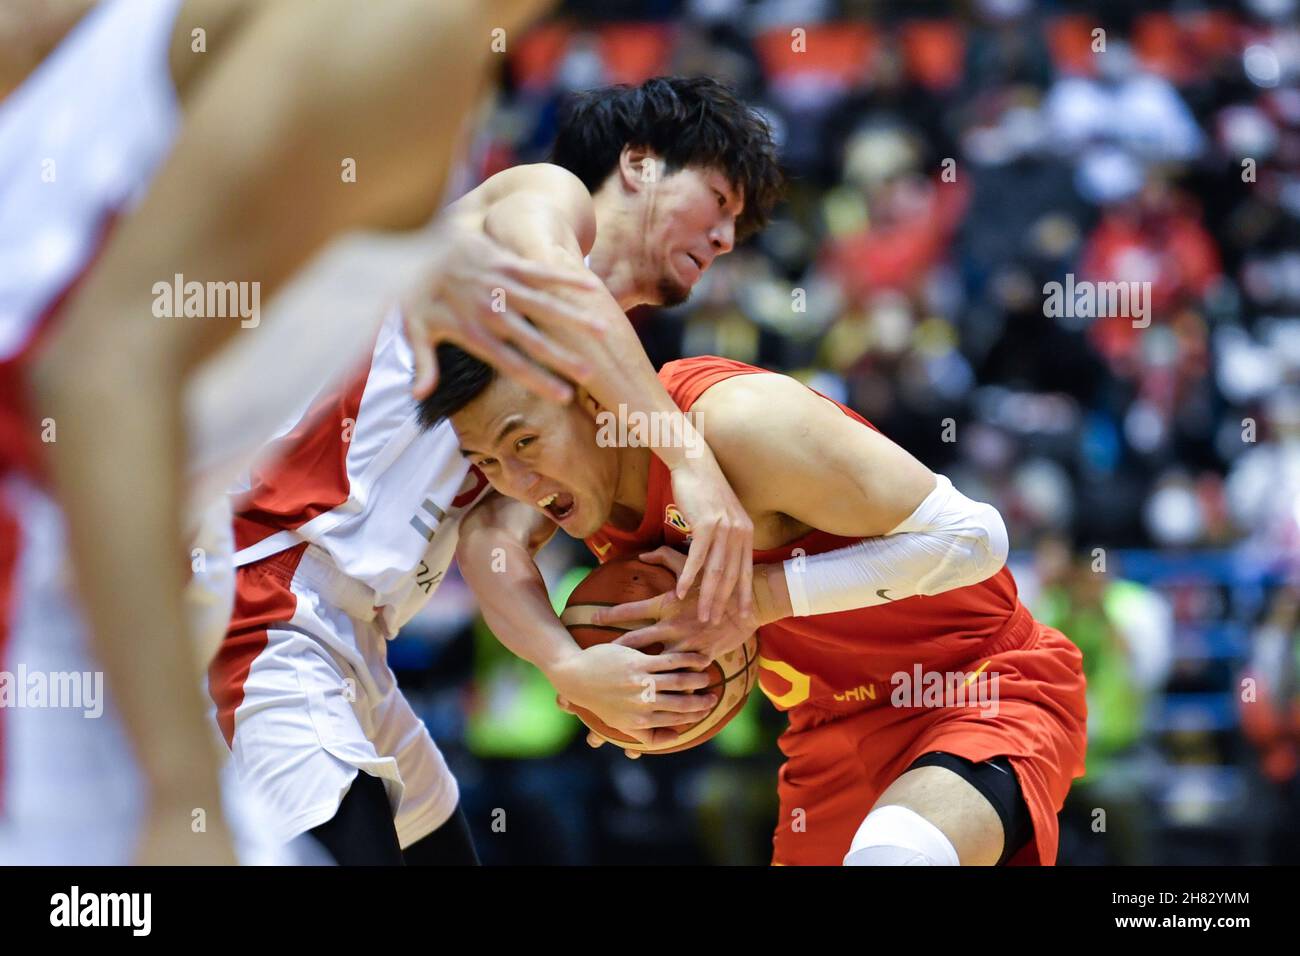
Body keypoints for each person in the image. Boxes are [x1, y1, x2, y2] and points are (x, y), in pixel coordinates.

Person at [0, 0, 600, 864]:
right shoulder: (404, 40)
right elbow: (101, 371)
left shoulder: (404, 59)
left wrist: (413, 258)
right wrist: (178, 799)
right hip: (45, 557)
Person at [210, 77, 785, 863]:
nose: (725, 238)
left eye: (737, 230)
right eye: (718, 200)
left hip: (352, 632)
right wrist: (691, 462)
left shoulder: (595, 378)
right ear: (641, 165)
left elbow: (494, 541)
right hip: (262, 583)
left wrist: (570, 666)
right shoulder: (539, 200)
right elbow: (563, 286)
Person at [425, 352, 1089, 866]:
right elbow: (487, 539)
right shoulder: (562, 486)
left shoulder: (733, 423)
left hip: (977, 686)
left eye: (523, 444)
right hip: (825, 733)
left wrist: (757, 598)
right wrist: (567, 667)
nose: (515, 482)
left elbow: (973, 538)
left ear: (593, 397)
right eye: (485, 460)